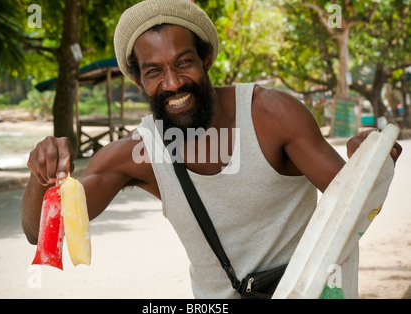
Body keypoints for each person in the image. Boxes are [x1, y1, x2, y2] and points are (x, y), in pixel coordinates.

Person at [22, 0, 402, 298]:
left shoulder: (272, 115)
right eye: (154, 71)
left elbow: (356, 208)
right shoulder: (138, 154)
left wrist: (371, 160)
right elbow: (43, 233)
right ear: (138, 80)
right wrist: (42, 174)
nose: (172, 83)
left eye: (183, 62)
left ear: (206, 59)